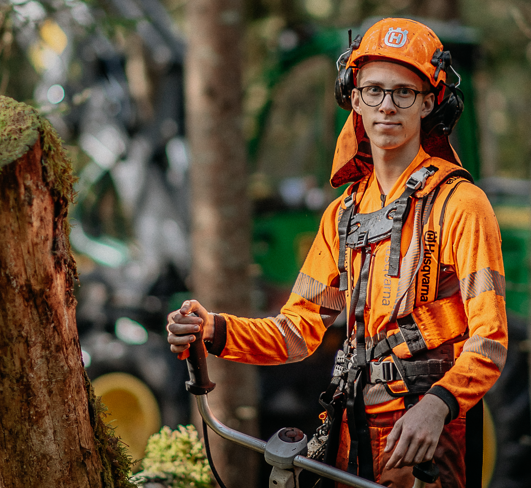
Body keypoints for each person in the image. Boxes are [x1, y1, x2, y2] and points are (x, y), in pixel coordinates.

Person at [167, 17, 507, 488]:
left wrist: (438, 405)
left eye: (404, 93)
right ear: (354, 97)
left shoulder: (461, 205)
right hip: (351, 431)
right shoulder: (341, 215)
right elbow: (297, 333)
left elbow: (488, 341)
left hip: (428, 440)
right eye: (374, 90)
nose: (387, 106)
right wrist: (215, 329)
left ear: (430, 102)